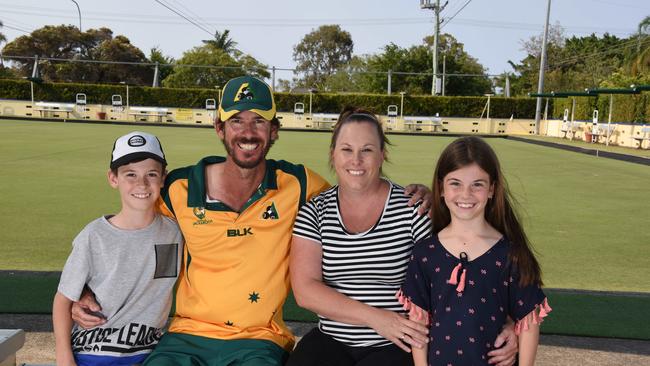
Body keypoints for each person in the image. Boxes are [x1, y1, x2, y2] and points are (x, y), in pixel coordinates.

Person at [71, 76, 430, 366]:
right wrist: (84, 289)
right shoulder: (179, 187)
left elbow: (357, 188)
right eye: (237, 120)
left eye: (259, 120)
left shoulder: (299, 185)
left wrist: (421, 192)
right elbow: (130, 231)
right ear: (219, 127)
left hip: (259, 338)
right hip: (187, 335)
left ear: (274, 130)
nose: (248, 131)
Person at [287, 109, 519, 366]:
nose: (356, 160)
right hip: (332, 338)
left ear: (382, 155)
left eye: (367, 150)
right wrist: (377, 318)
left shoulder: (413, 209)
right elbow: (305, 291)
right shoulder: (315, 211)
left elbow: (455, 276)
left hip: (397, 343)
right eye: (346, 150)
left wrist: (506, 321)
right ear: (333, 154)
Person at [397, 136, 552, 366]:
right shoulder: (424, 253)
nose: (466, 194)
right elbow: (419, 326)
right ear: (440, 188)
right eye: (455, 183)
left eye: (477, 184)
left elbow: (529, 322)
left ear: (492, 189)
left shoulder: (511, 254)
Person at [53, 131, 183, 366]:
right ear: (113, 179)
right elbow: (63, 299)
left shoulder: (175, 233)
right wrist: (64, 357)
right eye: (130, 174)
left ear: (163, 178)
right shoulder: (94, 236)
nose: (141, 184)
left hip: (148, 353)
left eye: (151, 174)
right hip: (93, 352)